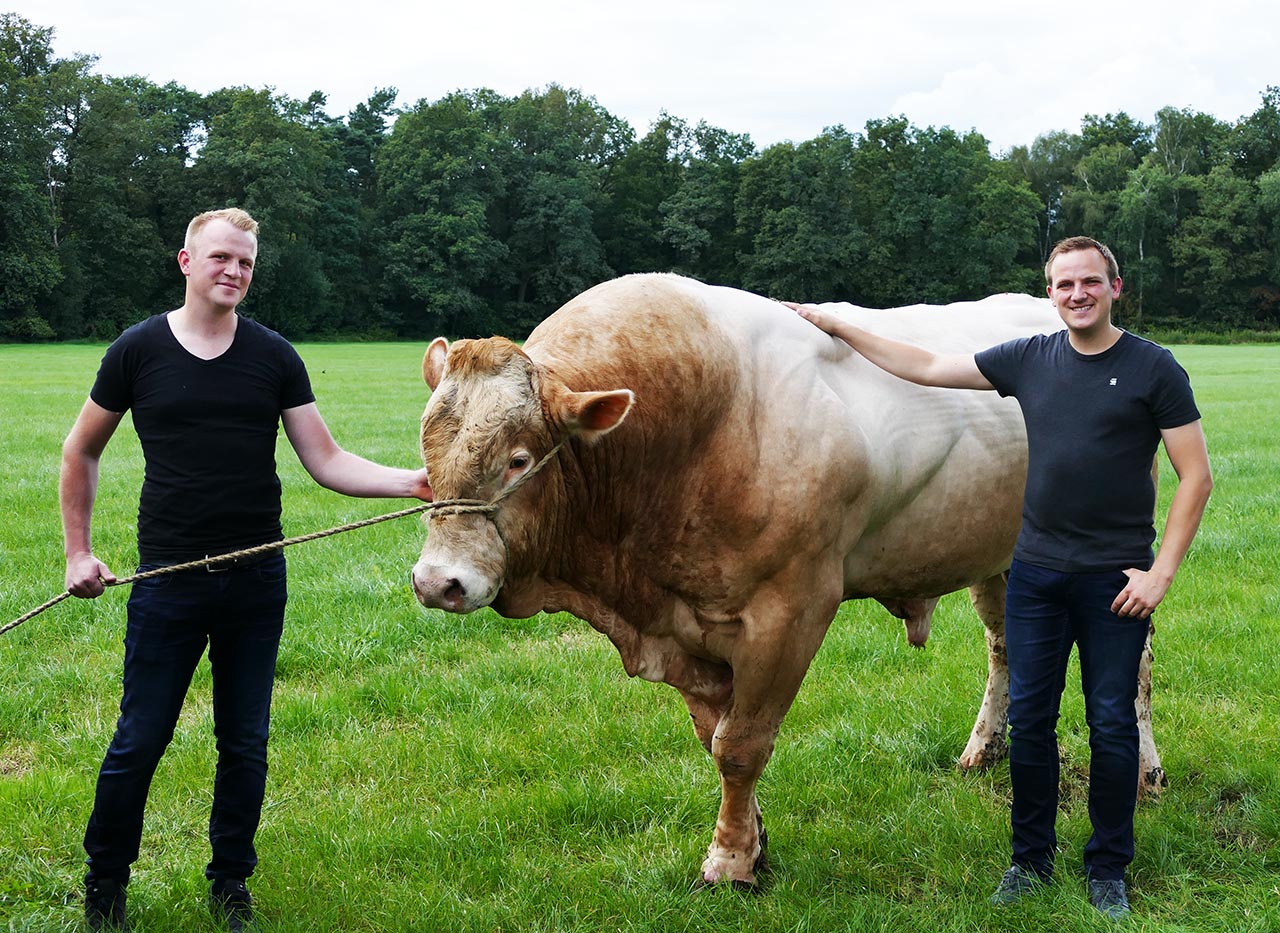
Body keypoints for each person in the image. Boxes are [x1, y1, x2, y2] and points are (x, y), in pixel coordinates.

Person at [789, 236, 1212, 920]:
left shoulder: (1152, 368)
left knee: (1109, 726)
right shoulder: (1031, 357)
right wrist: (840, 323)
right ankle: (1029, 861)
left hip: (1115, 581)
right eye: (1063, 284)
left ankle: (1108, 868)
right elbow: (926, 365)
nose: (1077, 294)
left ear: (1115, 286)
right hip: (1037, 573)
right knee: (1034, 724)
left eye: (1089, 282)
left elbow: (1197, 475)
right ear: (1050, 292)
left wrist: (1160, 572)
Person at [60, 207, 432, 931]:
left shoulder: (274, 356)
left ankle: (230, 882)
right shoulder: (136, 351)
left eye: (247, 263)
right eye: (222, 257)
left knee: (245, 740)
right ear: (187, 262)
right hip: (167, 581)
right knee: (141, 736)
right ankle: (105, 884)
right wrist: (78, 551)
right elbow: (81, 450)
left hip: (257, 580)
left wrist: (412, 479)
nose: (234, 271)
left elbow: (325, 459)